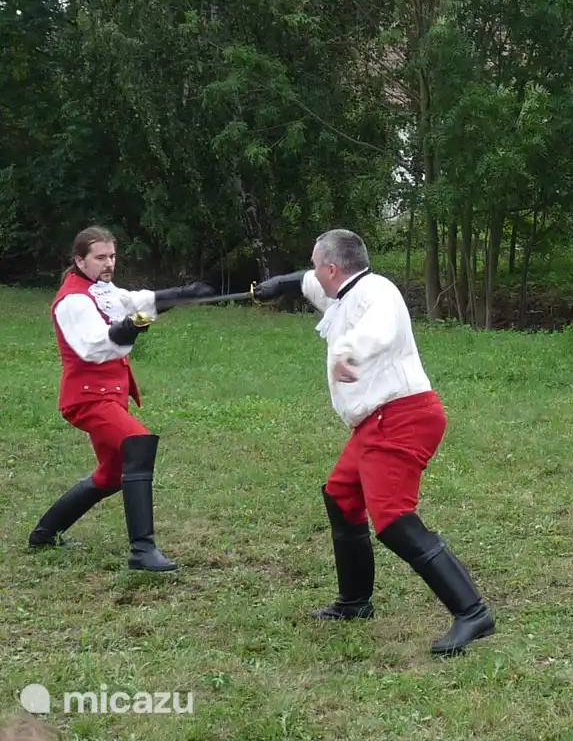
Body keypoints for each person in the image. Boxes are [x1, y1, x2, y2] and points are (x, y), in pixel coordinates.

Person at [252, 230, 495, 655]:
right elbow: (307, 284)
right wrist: (279, 286)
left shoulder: (376, 292)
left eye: (315, 265)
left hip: (402, 418)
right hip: (376, 422)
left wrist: (348, 352)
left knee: (394, 519)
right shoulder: (343, 292)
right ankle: (354, 602)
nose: (312, 272)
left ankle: (472, 612)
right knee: (341, 495)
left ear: (332, 268)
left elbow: (379, 328)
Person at [29, 226, 212, 570]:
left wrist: (180, 294)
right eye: (100, 257)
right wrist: (129, 327)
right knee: (138, 443)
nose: (109, 263)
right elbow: (92, 345)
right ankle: (142, 551)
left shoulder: (102, 290)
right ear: (79, 260)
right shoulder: (73, 300)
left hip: (109, 398)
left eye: (112, 256)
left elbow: (133, 301)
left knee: (112, 474)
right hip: (87, 400)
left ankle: (44, 534)